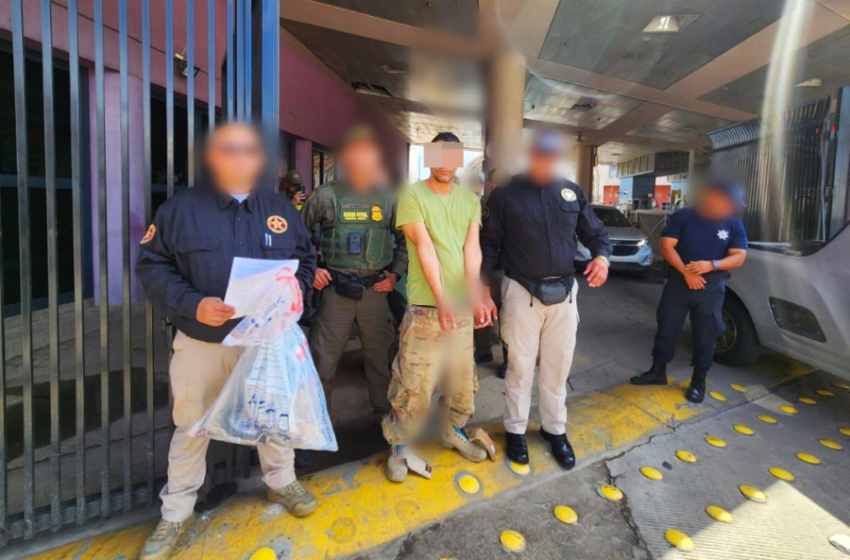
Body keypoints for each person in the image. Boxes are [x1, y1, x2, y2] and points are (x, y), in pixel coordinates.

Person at [135, 123, 318, 560]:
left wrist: (296, 291)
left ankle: (281, 482)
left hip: (266, 342)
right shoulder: (180, 210)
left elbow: (306, 260)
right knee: (192, 426)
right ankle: (176, 512)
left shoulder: (280, 209)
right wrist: (193, 304)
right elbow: (152, 266)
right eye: (229, 151)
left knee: (273, 418)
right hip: (203, 341)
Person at [480, 129, 612, 471]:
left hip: (564, 294)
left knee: (558, 365)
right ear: (530, 155)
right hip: (521, 291)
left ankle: (554, 429)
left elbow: (595, 233)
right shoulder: (505, 194)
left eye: (552, 157)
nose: (546, 162)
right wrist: (481, 288)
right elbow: (488, 245)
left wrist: (602, 257)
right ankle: (515, 430)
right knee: (520, 366)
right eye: (541, 155)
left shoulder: (572, 192)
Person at [383, 131, 491, 482]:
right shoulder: (413, 195)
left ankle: (452, 430)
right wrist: (442, 298)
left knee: (461, 379)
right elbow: (424, 246)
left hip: (459, 308)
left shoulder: (469, 200)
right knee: (415, 383)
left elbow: (471, 249)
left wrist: (474, 293)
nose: (445, 164)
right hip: (425, 309)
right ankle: (400, 445)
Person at [301, 126, 407, 429]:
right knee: (323, 359)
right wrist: (313, 269)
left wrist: (395, 274)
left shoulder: (388, 198)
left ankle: (382, 420)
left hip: (375, 290)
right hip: (335, 292)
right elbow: (296, 237)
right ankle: (316, 425)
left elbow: (405, 242)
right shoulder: (325, 196)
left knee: (380, 358)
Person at [630, 178, 748, 403]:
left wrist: (711, 265)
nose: (731, 208)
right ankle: (658, 371)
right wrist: (687, 272)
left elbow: (739, 256)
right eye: (728, 202)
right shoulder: (683, 216)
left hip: (711, 288)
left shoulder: (734, 225)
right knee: (667, 327)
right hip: (678, 284)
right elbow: (666, 246)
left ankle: (698, 381)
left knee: (706, 334)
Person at [473, 167, 511, 376]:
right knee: (481, 310)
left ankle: (508, 359)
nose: (497, 185)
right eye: (495, 181)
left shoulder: (513, 206)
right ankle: (483, 350)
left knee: (507, 315)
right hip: (483, 267)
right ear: (489, 184)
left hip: (504, 269)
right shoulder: (482, 206)